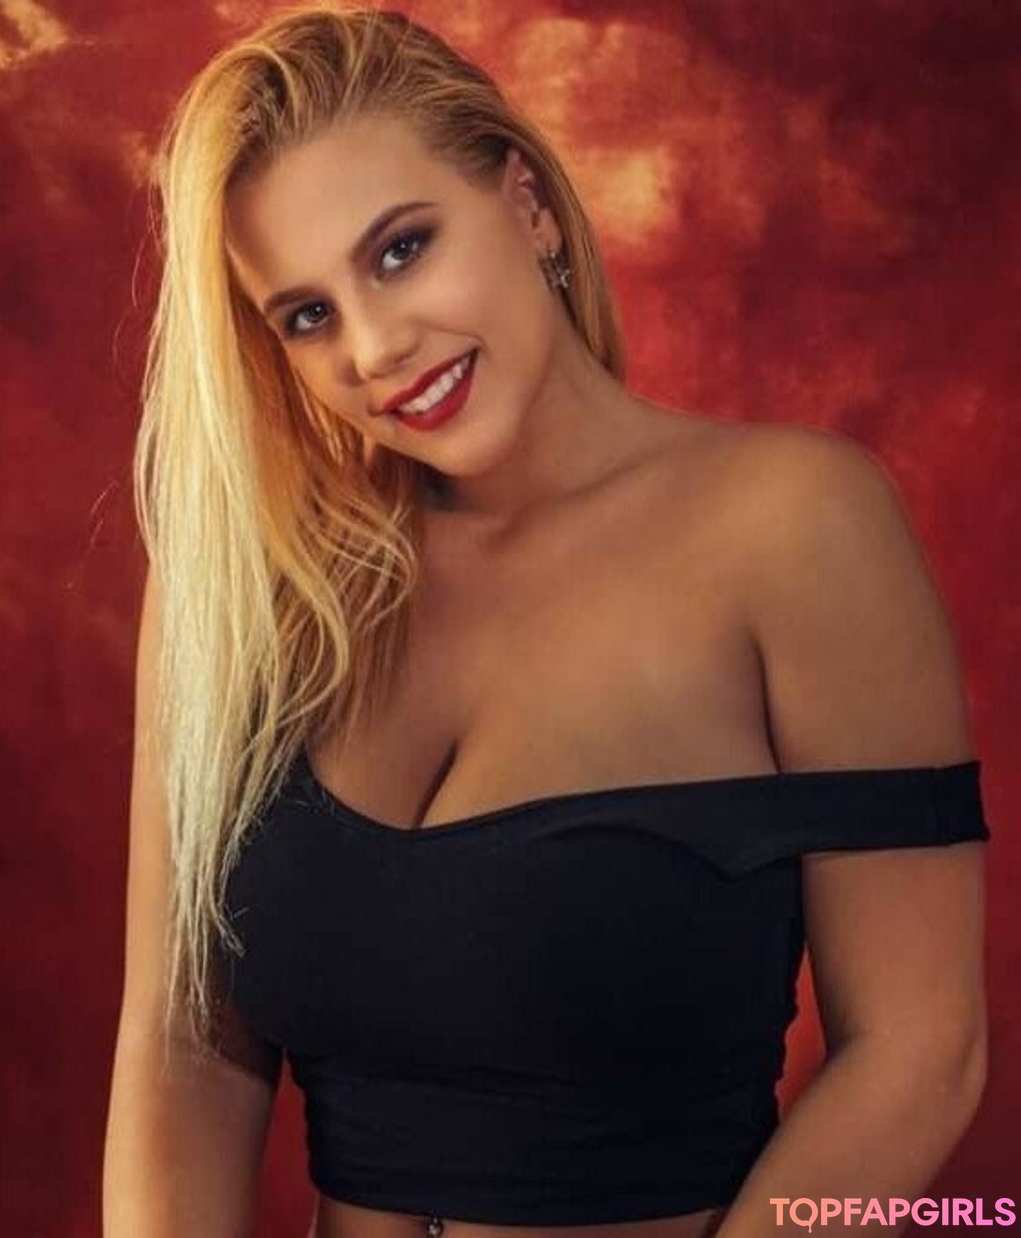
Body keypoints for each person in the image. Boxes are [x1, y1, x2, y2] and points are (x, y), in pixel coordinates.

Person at [102, 6, 991, 1238]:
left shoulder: (794, 525)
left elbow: (920, 1048)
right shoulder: (251, 589)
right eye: (306, 314)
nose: (375, 346)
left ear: (525, 203)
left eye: (401, 250)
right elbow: (186, 1041)